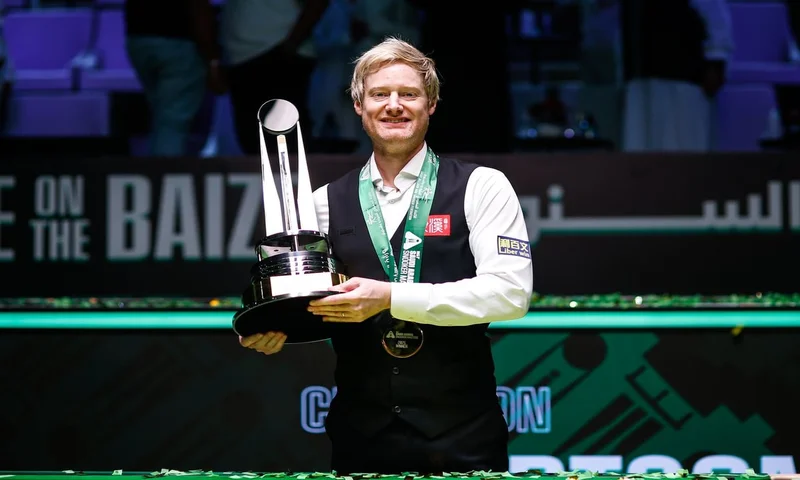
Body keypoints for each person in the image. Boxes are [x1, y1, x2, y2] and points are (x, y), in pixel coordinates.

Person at [239, 37, 534, 474]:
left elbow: (510, 295)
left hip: (463, 437)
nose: (394, 105)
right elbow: (311, 300)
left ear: (431, 104)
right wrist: (275, 326)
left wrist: (391, 297)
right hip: (361, 437)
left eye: (409, 94)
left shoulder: (482, 186)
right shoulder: (320, 204)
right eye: (379, 94)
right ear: (359, 107)